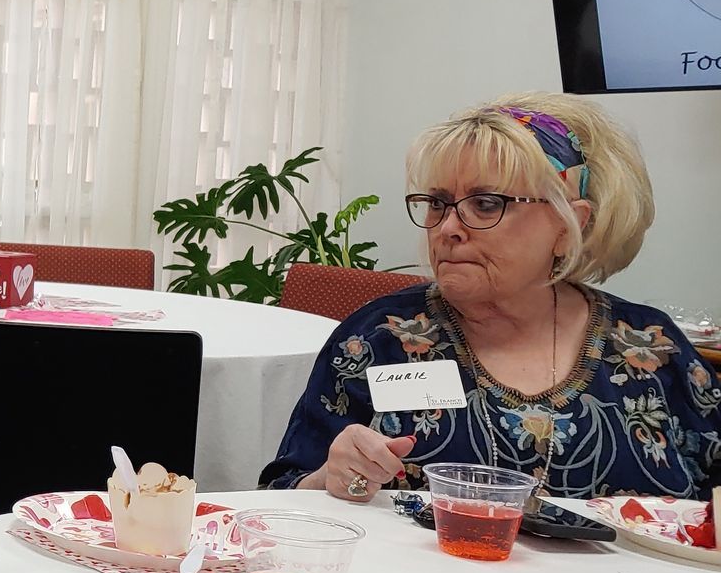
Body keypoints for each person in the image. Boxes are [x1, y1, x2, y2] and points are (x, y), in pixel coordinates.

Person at [261, 93, 719, 501]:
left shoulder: (651, 348)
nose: (448, 228)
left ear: (569, 225)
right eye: (438, 203)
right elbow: (281, 493)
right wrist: (329, 479)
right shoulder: (379, 338)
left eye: (486, 204)